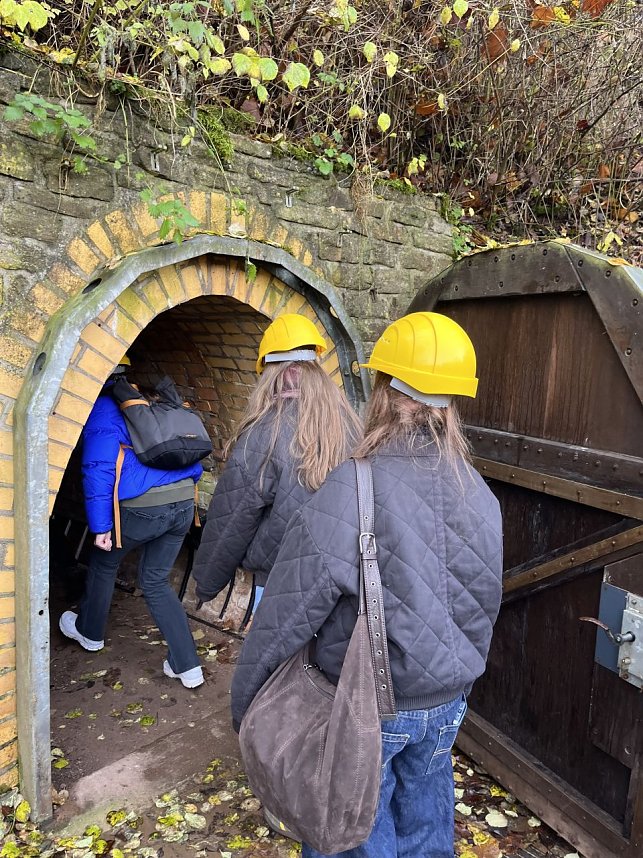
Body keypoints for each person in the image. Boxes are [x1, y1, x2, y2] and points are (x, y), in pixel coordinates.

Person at [230, 312, 504, 858]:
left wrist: (247, 705)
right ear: (453, 399)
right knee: (427, 824)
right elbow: (483, 601)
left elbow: (287, 612)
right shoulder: (479, 491)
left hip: (367, 705)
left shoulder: (350, 486)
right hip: (447, 703)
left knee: (353, 837)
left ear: (383, 388)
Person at [192, 312, 362, 617]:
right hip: (341, 576)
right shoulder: (351, 424)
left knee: (270, 661)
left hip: (279, 580)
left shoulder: (266, 433)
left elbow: (232, 517)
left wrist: (206, 581)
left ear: (273, 372)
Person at [59, 354, 205, 689]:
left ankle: (90, 632)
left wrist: (100, 528)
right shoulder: (150, 400)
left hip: (141, 509)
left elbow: (99, 469)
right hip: (183, 502)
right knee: (155, 580)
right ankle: (188, 665)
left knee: (103, 562)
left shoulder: (103, 408)